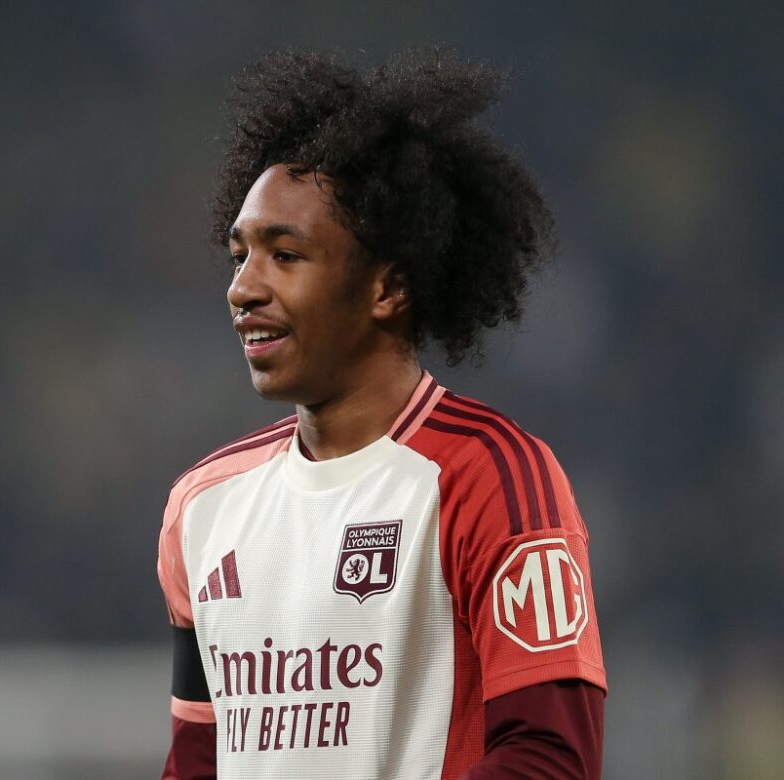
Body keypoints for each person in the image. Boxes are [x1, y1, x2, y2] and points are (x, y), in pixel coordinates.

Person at [156, 50, 607, 779]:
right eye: (240, 256)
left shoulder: (493, 478)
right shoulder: (201, 506)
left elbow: (551, 758)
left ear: (388, 289)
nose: (243, 288)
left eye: (285, 255)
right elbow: (196, 762)